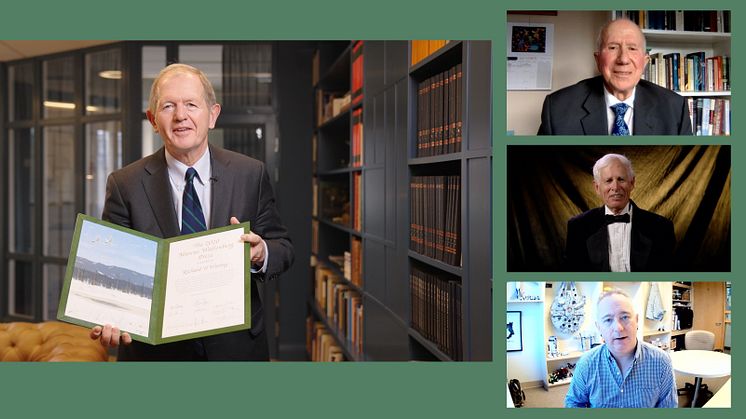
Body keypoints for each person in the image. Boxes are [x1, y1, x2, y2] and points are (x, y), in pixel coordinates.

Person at [89, 63, 294, 360]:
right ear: (153, 120)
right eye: (168, 106)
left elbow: (284, 249)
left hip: (235, 348)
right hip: (156, 354)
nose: (180, 116)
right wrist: (110, 313)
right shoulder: (125, 184)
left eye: (191, 105)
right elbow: (113, 273)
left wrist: (261, 251)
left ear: (212, 115)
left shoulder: (250, 173)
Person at [538, 18, 692, 135]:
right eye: (612, 47)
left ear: (645, 62)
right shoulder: (557, 108)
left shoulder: (675, 107)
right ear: (598, 59)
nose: (623, 59)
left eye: (632, 48)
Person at [565, 289, 678, 408]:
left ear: (637, 320)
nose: (618, 328)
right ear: (599, 328)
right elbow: (574, 404)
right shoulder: (586, 364)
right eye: (608, 320)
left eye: (624, 317)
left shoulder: (661, 361)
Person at [564, 154, 674, 271]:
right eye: (608, 180)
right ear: (597, 187)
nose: (615, 187)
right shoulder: (578, 227)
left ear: (632, 183)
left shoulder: (661, 227)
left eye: (621, 179)